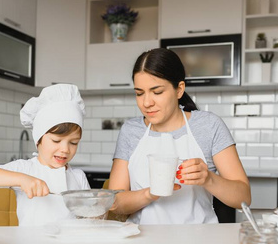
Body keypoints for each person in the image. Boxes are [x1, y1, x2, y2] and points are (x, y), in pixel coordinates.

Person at [108, 48, 251, 225]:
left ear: (179, 90)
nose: (146, 102)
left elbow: (243, 197)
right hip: (142, 242)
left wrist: (208, 179)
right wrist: (150, 193)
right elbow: (115, 203)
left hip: (199, 242)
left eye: (157, 92)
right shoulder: (131, 131)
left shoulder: (208, 126)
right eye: (139, 93)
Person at [0, 84, 90, 226]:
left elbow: (88, 216)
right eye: (56, 141)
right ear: (38, 139)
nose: (65, 149)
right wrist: (22, 180)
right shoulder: (26, 169)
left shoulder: (78, 176)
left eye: (74, 143)